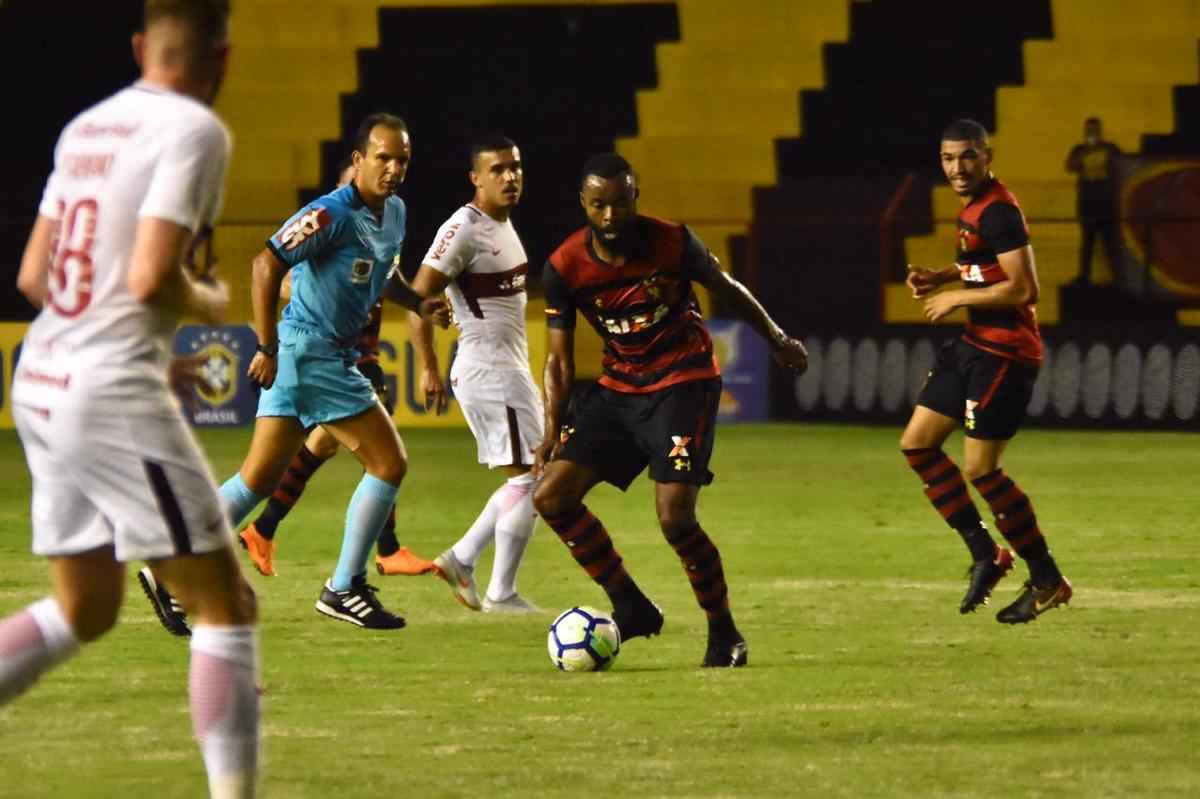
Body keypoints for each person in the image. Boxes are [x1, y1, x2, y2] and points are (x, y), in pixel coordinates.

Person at [3, 2, 260, 797]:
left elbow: (35, 278)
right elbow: (150, 275)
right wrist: (212, 301)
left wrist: (137, 349)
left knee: (86, 607)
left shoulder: (85, 129)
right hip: (104, 390)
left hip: (41, 377)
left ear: (142, 46)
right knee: (225, 603)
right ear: (222, 57)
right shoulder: (194, 130)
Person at [529, 153, 808, 667]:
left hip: (684, 383)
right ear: (583, 205)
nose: (610, 215)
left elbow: (728, 290)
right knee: (551, 498)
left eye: (619, 202)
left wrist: (777, 338)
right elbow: (559, 360)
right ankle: (630, 606)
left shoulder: (673, 242)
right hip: (618, 390)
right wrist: (551, 432)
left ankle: (724, 632)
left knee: (675, 517)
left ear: (636, 195)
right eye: (598, 205)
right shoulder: (564, 267)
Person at [212, 112, 448, 631]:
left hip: (315, 356)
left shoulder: (396, 214)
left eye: (401, 160)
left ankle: (172, 568)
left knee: (255, 481)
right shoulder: (330, 213)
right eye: (382, 157)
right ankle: (344, 586)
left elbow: (385, 277)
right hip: (312, 352)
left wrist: (420, 304)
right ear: (360, 160)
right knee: (388, 464)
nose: (392, 169)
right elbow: (264, 265)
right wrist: (266, 345)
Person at [902, 118, 1072, 624]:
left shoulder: (998, 211)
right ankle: (986, 553)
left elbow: (1023, 289)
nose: (958, 167)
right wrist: (942, 275)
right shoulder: (974, 210)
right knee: (917, 443)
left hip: (1006, 354)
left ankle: (1047, 579)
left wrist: (955, 297)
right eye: (949, 159)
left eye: (968, 157)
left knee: (981, 470)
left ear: (987, 156)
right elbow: (985, 263)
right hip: (974, 345)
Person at [407, 134, 545, 614]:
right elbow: (416, 299)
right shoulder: (463, 228)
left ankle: (462, 559)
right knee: (533, 478)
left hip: (509, 371)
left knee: (531, 476)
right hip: (488, 370)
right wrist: (428, 366)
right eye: (498, 170)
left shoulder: (503, 225)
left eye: (516, 167)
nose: (510, 177)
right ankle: (499, 592)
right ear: (475, 178)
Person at [1064, 117, 1122, 286]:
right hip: (1087, 201)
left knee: (1110, 241)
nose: (1091, 133)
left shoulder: (1110, 148)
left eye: (1094, 130)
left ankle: (1117, 277)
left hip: (1106, 200)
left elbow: (1122, 165)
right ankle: (1084, 276)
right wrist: (1085, 153)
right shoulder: (1080, 149)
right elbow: (1070, 166)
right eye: (1088, 130)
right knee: (1087, 241)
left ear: (1100, 131)